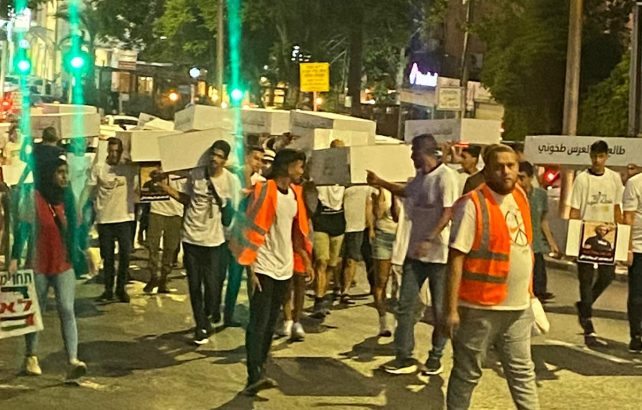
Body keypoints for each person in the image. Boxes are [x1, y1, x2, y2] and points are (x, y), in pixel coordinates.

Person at [444, 144, 539, 410]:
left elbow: (523, 247)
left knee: (522, 372)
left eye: (511, 165)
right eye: (499, 166)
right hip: (480, 308)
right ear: (487, 171)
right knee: (467, 373)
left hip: (518, 307)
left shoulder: (520, 196)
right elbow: (456, 259)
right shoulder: (472, 204)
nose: (506, 171)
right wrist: (451, 309)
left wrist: (531, 295)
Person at [367, 133, 459, 376]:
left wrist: (430, 238)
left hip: (439, 257)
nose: (411, 157)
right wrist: (380, 182)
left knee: (439, 310)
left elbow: (448, 211)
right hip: (414, 255)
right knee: (405, 306)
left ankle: (435, 356)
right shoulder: (420, 177)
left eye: (413, 153)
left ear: (422, 152)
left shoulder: (446, 177)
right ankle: (403, 356)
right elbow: (407, 192)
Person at [234, 149, 313, 396]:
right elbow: (248, 227)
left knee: (270, 323)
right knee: (258, 322)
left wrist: (305, 259)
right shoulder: (264, 190)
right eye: (299, 166)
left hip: (284, 267)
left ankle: (261, 369)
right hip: (263, 266)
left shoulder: (295, 194)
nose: (302, 171)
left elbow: (295, 232)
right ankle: (253, 374)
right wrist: (250, 267)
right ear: (287, 167)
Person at [10, 153, 87, 380]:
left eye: (66, 173)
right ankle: (31, 356)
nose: (65, 177)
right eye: (60, 173)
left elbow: (76, 228)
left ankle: (72, 360)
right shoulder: (34, 198)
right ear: (49, 174)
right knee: (37, 311)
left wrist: (84, 249)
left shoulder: (68, 197)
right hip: (38, 264)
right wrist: (14, 258)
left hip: (64, 263)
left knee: (67, 309)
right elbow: (23, 229)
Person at [160, 140, 236, 344]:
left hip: (214, 240)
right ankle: (200, 325)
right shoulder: (196, 174)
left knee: (212, 285)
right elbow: (187, 198)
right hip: (191, 237)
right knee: (194, 284)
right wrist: (165, 188)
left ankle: (210, 311)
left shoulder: (230, 180)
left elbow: (234, 209)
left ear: (225, 160)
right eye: (213, 154)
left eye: (219, 156)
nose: (214, 159)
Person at [570, 140, 623, 347]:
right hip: (586, 233)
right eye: (594, 156)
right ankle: (587, 321)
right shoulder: (582, 179)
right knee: (585, 278)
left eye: (601, 156)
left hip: (608, 233)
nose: (597, 160)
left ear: (606, 157)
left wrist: (621, 238)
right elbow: (575, 209)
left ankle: (585, 304)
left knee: (607, 275)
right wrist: (573, 240)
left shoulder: (614, 178)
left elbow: (617, 207)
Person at [84, 137, 136, 303]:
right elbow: (89, 190)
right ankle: (108, 289)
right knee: (107, 257)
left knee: (125, 256)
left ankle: (121, 288)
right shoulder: (99, 168)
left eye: (117, 151)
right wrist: (81, 209)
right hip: (105, 219)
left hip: (124, 218)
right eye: (111, 151)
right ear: (107, 151)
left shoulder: (128, 168)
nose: (114, 154)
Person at [224, 146, 263, 326]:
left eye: (261, 160)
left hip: (253, 234)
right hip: (236, 233)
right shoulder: (234, 176)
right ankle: (228, 314)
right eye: (255, 158)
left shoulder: (261, 181)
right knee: (234, 276)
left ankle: (255, 313)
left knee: (254, 276)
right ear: (247, 157)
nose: (258, 163)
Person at [311, 140, 346, 319]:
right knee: (321, 261)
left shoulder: (346, 174)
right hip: (322, 219)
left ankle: (323, 294)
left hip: (338, 220)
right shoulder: (320, 172)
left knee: (332, 264)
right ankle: (319, 299)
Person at [517, 161, 559, 302]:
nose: (519, 182)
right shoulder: (512, 195)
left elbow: (543, 220)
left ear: (530, 178)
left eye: (522, 177)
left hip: (535, 240)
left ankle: (539, 293)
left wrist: (551, 242)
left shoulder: (540, 195)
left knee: (539, 269)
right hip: (518, 241)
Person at [143, 174, 184, 294]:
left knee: (170, 248)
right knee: (152, 246)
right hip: (156, 211)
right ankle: (153, 276)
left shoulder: (182, 174)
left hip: (175, 213)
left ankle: (164, 278)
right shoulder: (156, 171)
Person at [340, 185, 376, 305]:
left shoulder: (365, 186)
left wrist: (371, 227)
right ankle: (345, 291)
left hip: (361, 226)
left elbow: (369, 205)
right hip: (353, 226)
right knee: (351, 259)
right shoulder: (350, 185)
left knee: (367, 258)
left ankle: (374, 287)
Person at [370, 188, 399, 337]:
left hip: (400, 237)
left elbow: (398, 215)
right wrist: (383, 190)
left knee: (398, 282)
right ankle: (383, 321)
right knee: (381, 280)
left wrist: (396, 194)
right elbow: (378, 213)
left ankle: (397, 320)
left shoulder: (408, 187)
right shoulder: (377, 191)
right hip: (383, 235)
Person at [622, 169, 642, 353]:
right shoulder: (635, 183)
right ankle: (636, 335)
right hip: (638, 247)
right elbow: (628, 217)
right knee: (637, 295)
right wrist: (627, 248)